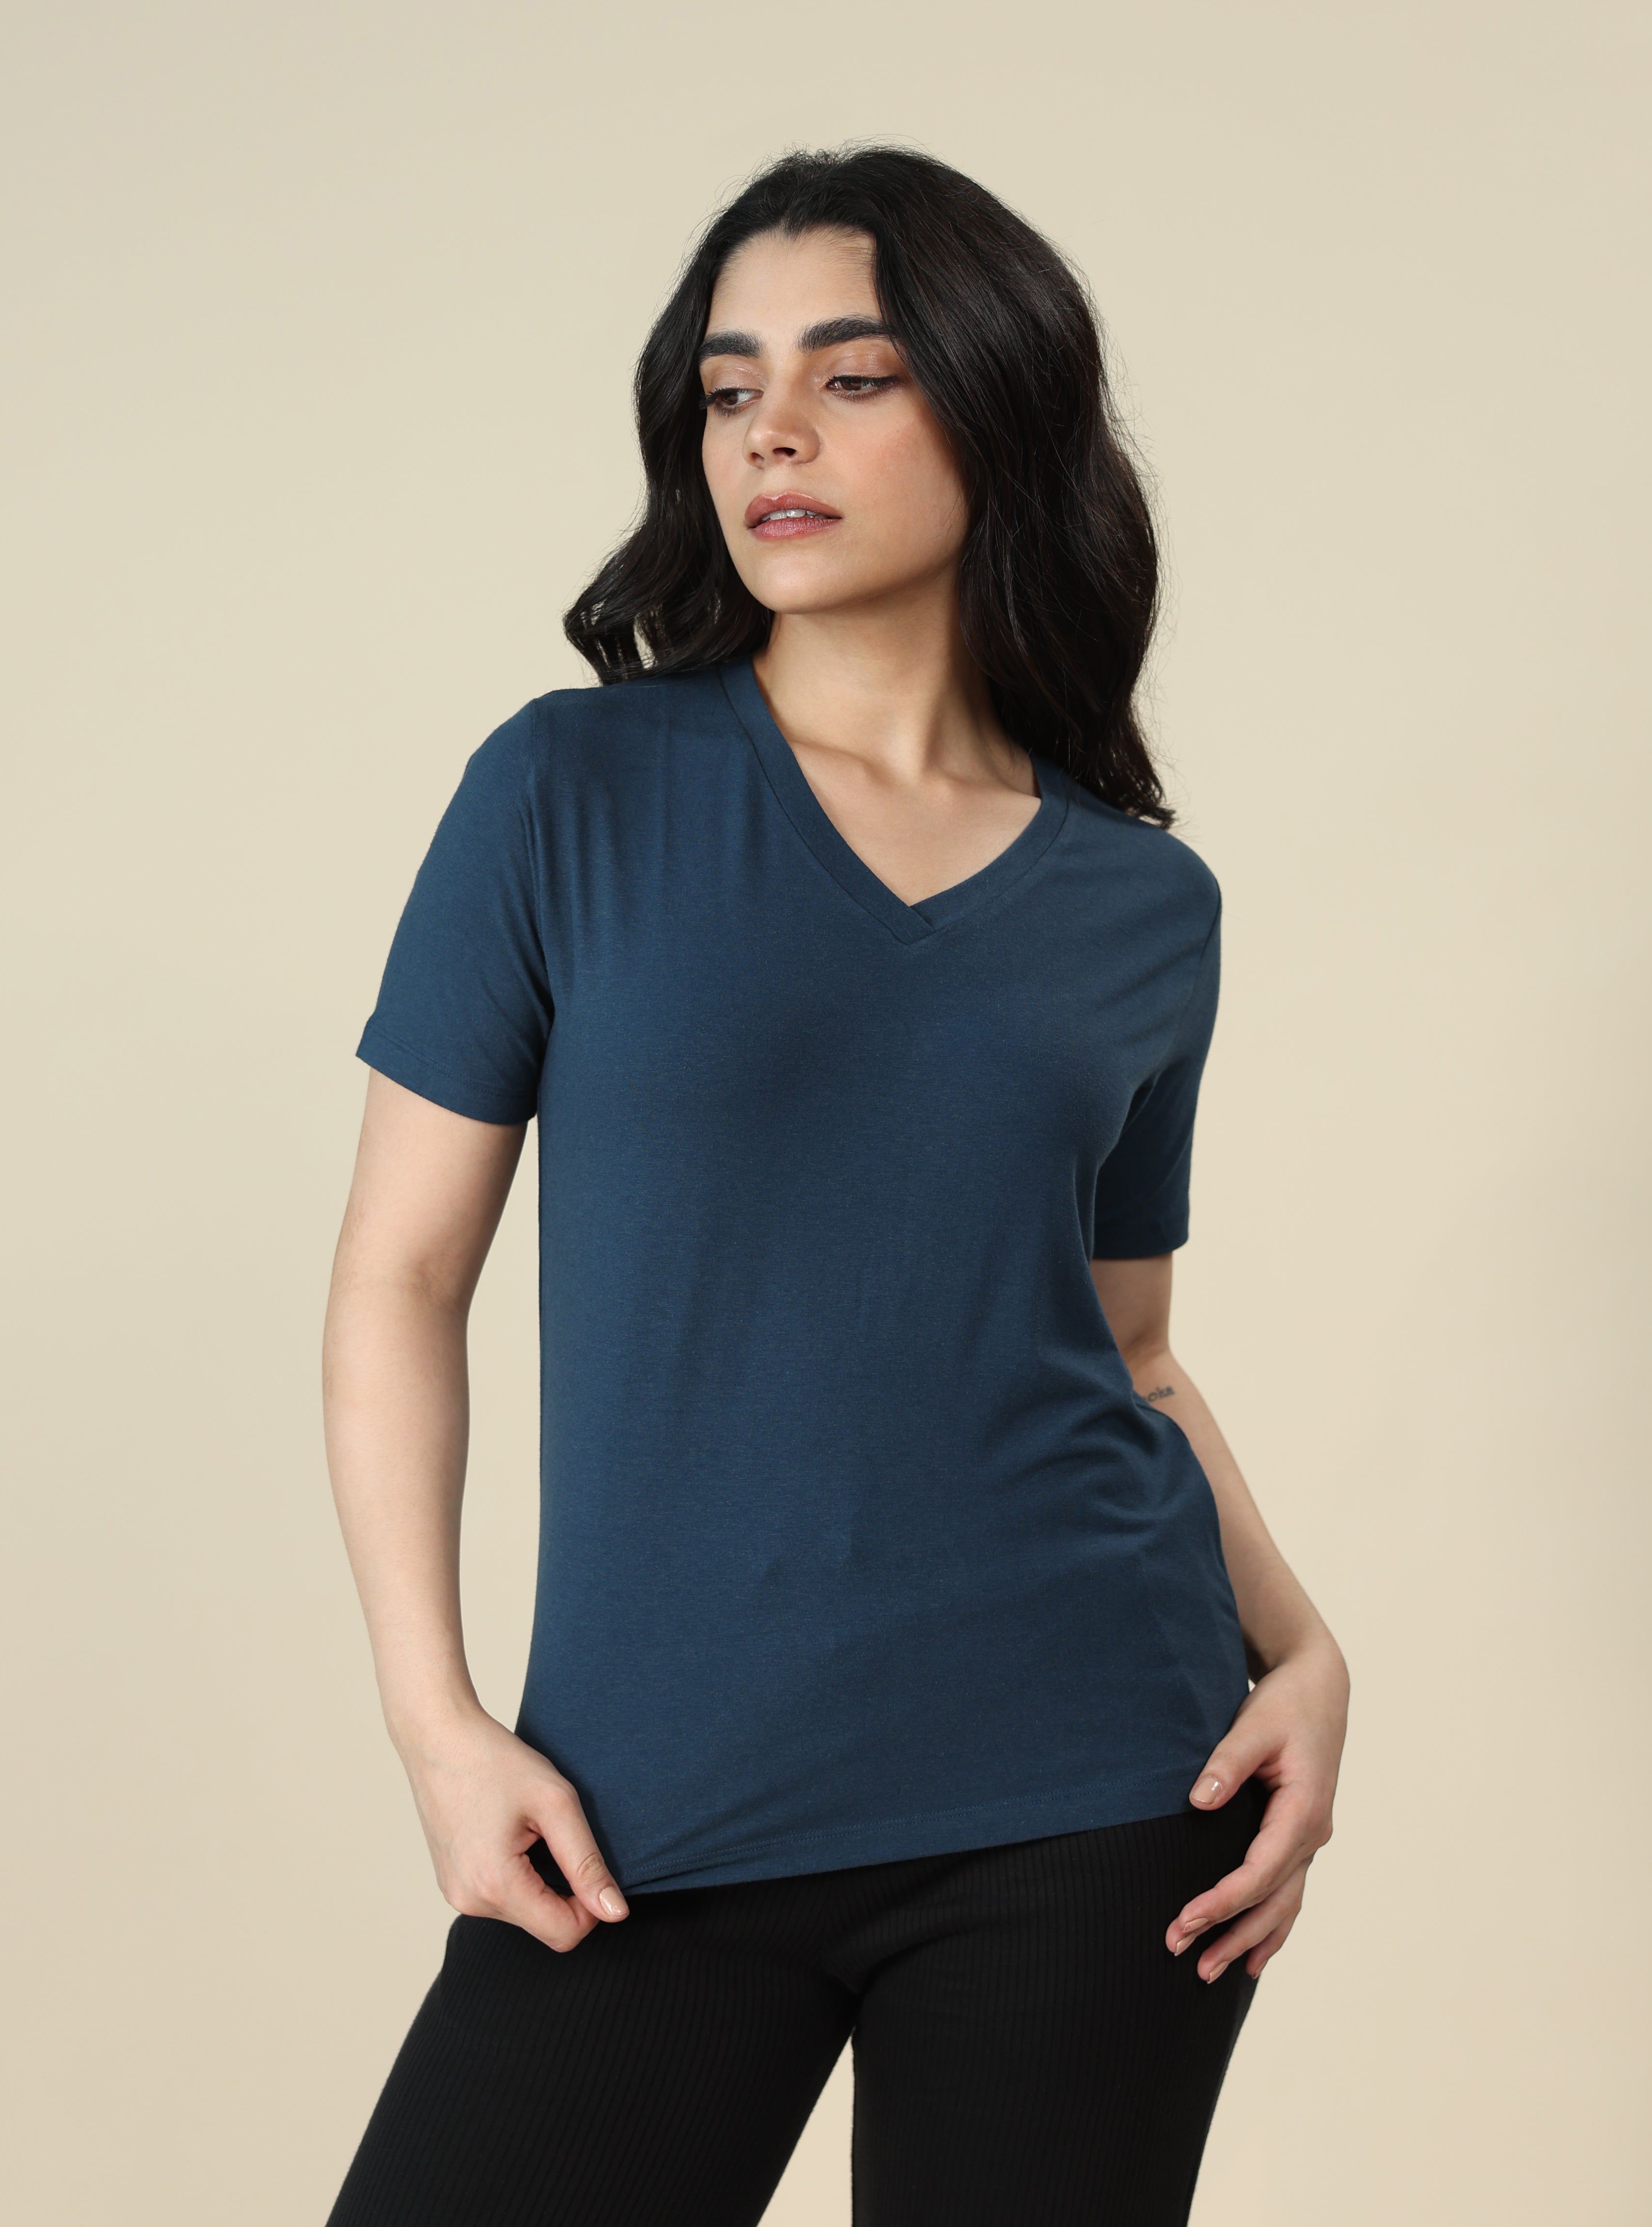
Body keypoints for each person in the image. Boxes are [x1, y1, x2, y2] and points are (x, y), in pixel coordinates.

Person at [320, 147, 1349, 2227]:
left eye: (852, 375)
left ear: (1002, 412)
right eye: (729, 387)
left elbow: (1130, 1351)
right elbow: (399, 1282)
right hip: (642, 1813)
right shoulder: (570, 790)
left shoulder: (1145, 904)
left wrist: (1305, 1648)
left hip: (1094, 1788)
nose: (770, 431)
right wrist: (439, 1728)